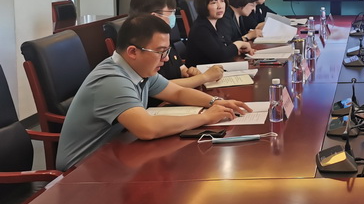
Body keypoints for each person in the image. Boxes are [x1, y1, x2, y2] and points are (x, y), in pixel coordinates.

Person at [56, 15, 252, 171]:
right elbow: (147, 128)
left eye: (167, 51)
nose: (166, 59)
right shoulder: (112, 80)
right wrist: (206, 117)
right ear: (133, 52)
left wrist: (215, 102)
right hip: (82, 171)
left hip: (116, 154)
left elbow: (177, 93)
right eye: (160, 52)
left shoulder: (139, 69)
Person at [128, 0, 223, 88]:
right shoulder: (144, 47)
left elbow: (181, 68)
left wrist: (189, 72)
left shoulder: (164, 38)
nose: (173, 17)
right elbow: (157, 87)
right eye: (171, 12)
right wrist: (204, 77)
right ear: (155, 17)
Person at [185, 0, 252, 67]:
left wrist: (239, 49)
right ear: (203, 6)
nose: (220, 6)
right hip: (202, 73)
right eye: (214, 3)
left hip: (216, 69)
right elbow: (221, 56)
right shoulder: (200, 28)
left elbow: (226, 45)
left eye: (222, 1)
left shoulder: (218, 23)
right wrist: (239, 44)